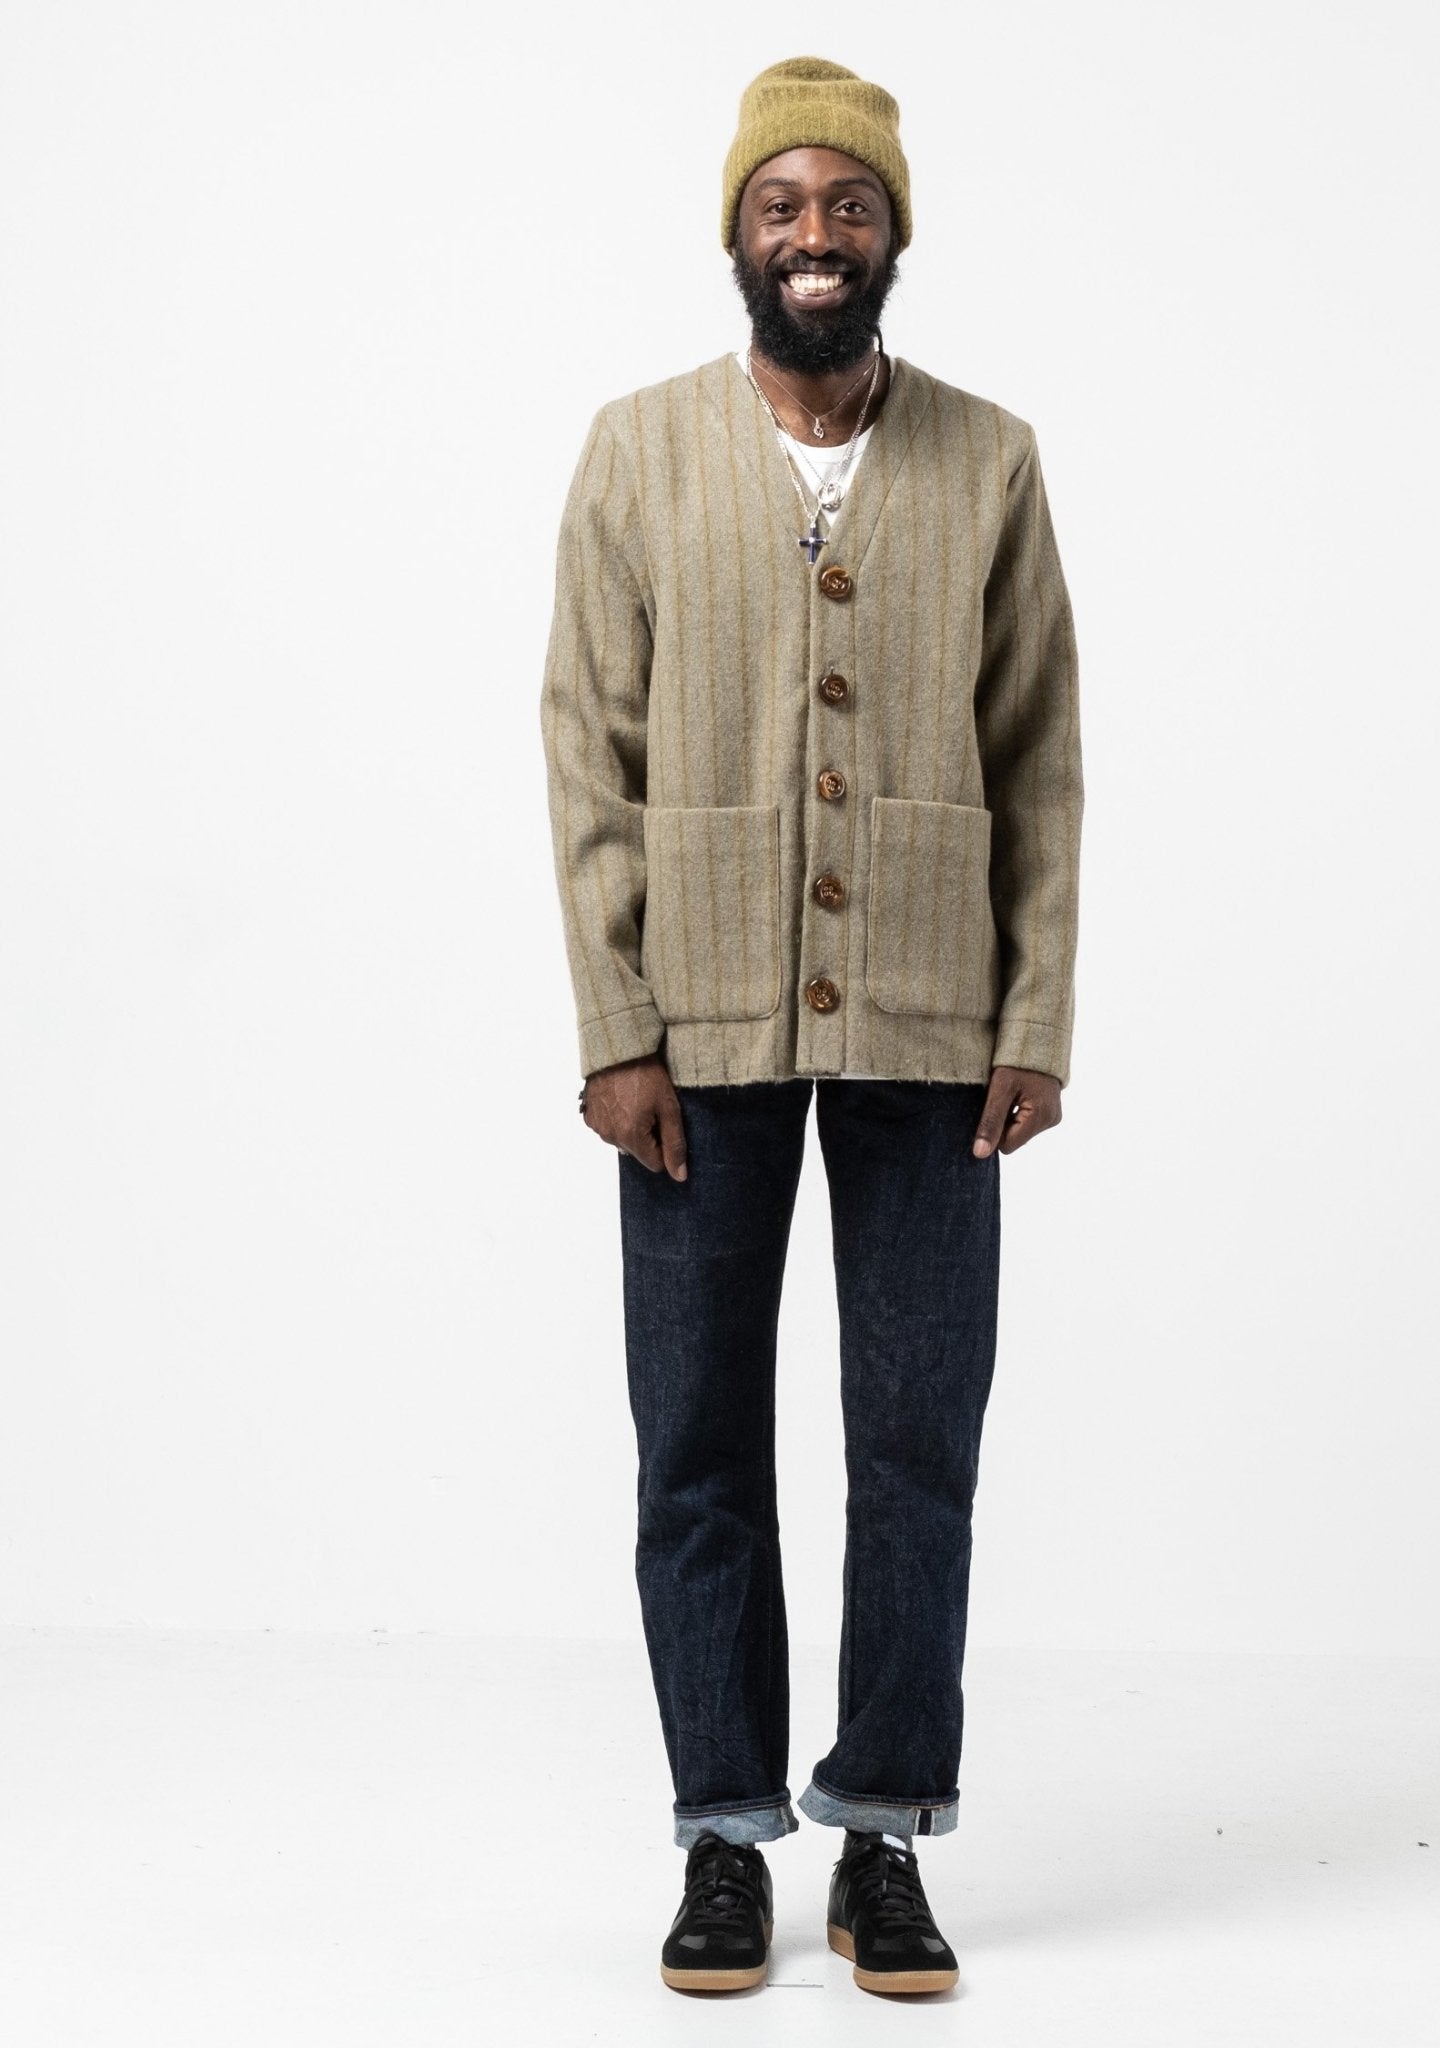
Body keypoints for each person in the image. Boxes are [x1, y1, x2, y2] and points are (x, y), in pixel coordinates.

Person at [539, 54, 1083, 1997]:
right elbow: (585, 747)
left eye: (849, 204)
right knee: (695, 1442)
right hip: (694, 1036)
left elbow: (1040, 751)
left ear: (892, 232)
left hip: (934, 1027)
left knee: (914, 1441)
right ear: (738, 235)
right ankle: (720, 1835)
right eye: (782, 205)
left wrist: (1035, 1011)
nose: (816, 236)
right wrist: (617, 1020)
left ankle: (884, 1837)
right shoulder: (635, 451)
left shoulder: (990, 459)